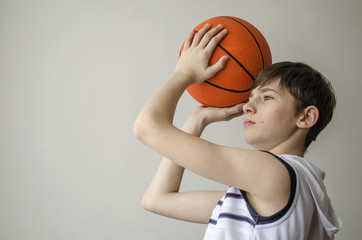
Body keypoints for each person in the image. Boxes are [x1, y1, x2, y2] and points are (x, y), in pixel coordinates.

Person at [133, 23, 342, 239]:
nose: (247, 107)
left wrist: (184, 73)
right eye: (250, 98)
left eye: (268, 97)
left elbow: (147, 127)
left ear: (306, 117)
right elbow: (156, 199)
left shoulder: (274, 175)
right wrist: (198, 119)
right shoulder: (288, 190)